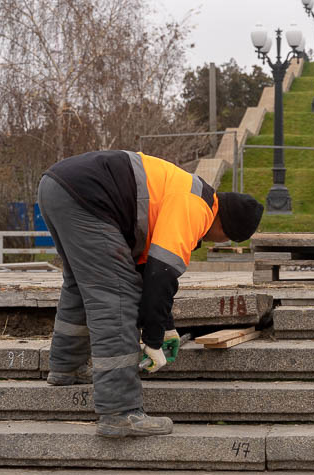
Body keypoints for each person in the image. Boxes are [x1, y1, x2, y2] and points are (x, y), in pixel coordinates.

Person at [36, 150, 264, 438]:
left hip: (59, 186)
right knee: (115, 297)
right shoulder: (196, 208)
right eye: (228, 239)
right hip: (87, 196)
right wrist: (153, 340)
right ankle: (120, 412)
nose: (222, 242)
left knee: (82, 284)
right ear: (225, 228)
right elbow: (160, 276)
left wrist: (166, 327)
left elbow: (146, 271)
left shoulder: (190, 193)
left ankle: (65, 368)